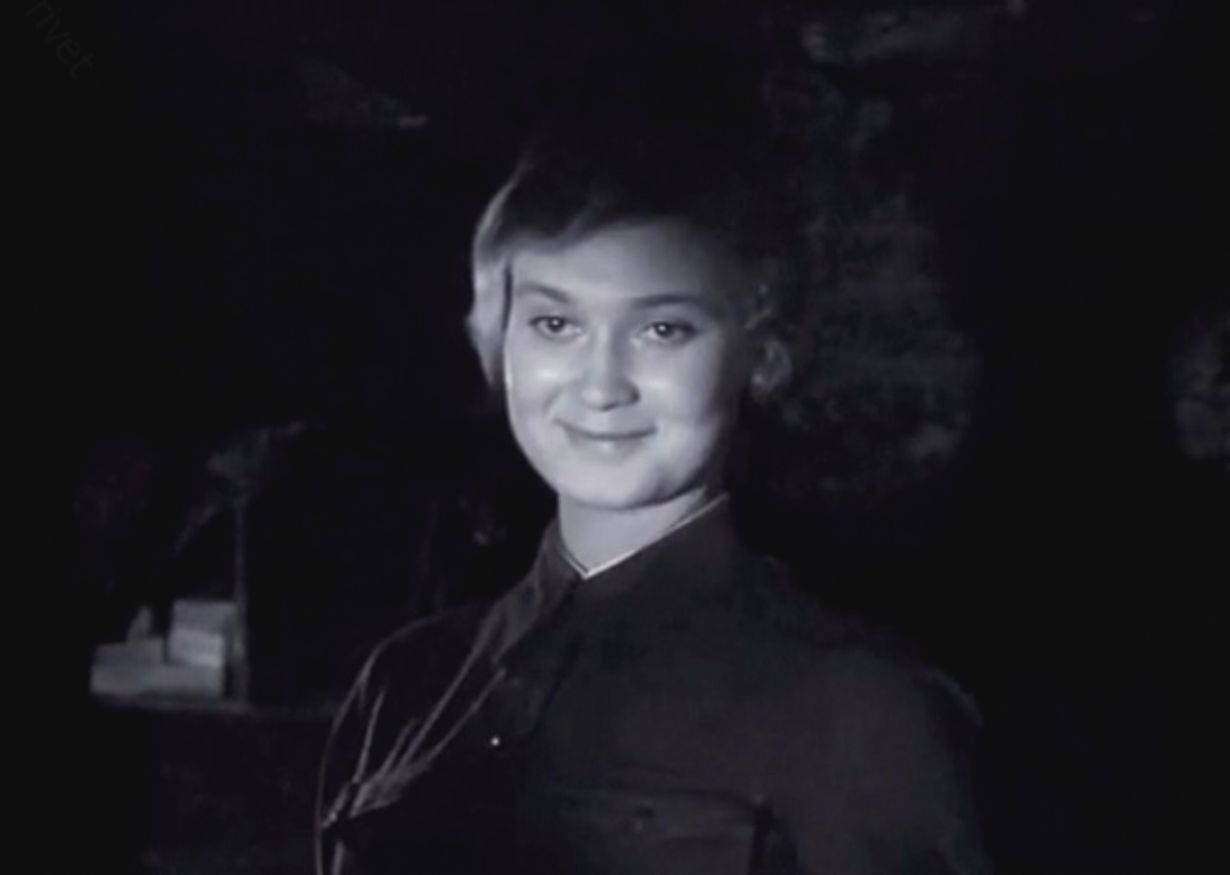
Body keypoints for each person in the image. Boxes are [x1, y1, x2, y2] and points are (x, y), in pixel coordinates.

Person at [315, 110, 990, 874]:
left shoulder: (862, 708)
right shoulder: (407, 683)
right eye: (554, 323)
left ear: (761, 355)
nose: (601, 385)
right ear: (497, 345)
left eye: (662, 329)